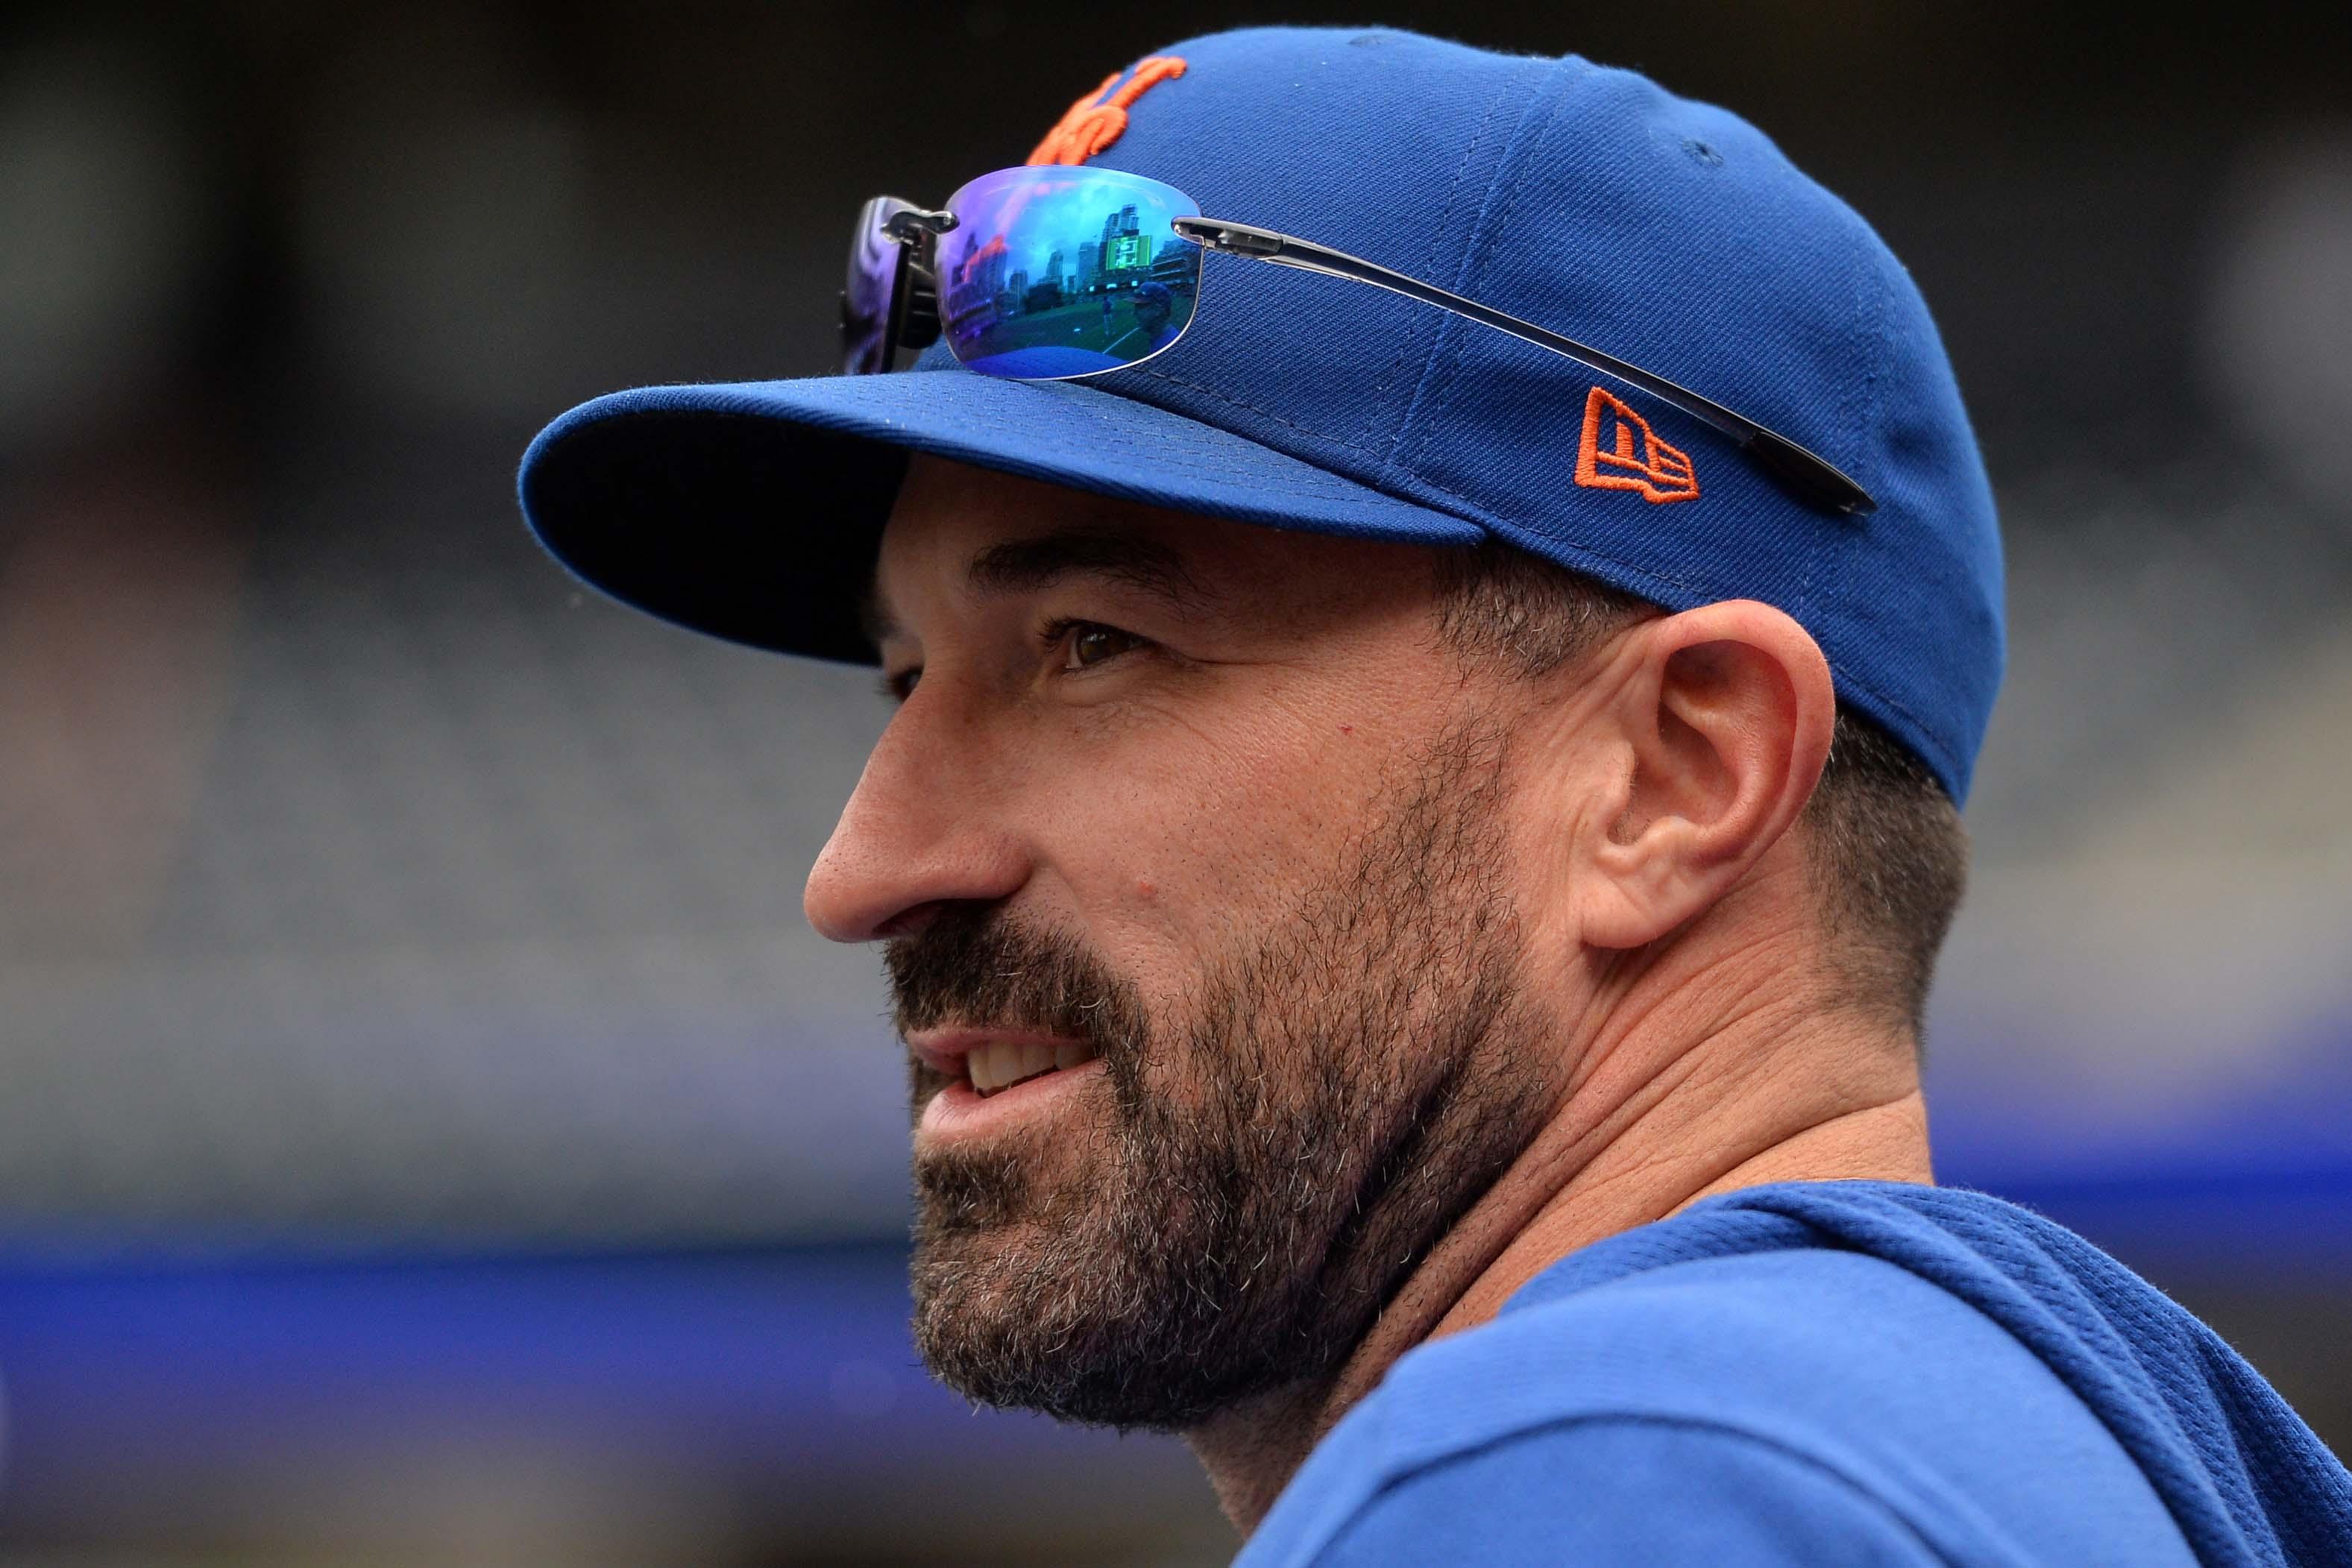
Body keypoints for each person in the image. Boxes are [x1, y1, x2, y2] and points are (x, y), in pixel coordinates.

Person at [517, 26, 2351, 1565]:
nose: (863, 867)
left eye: (1090, 644)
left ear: (1671, 774)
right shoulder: (1989, 1444)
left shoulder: (1598, 1483)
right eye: (904, 675)